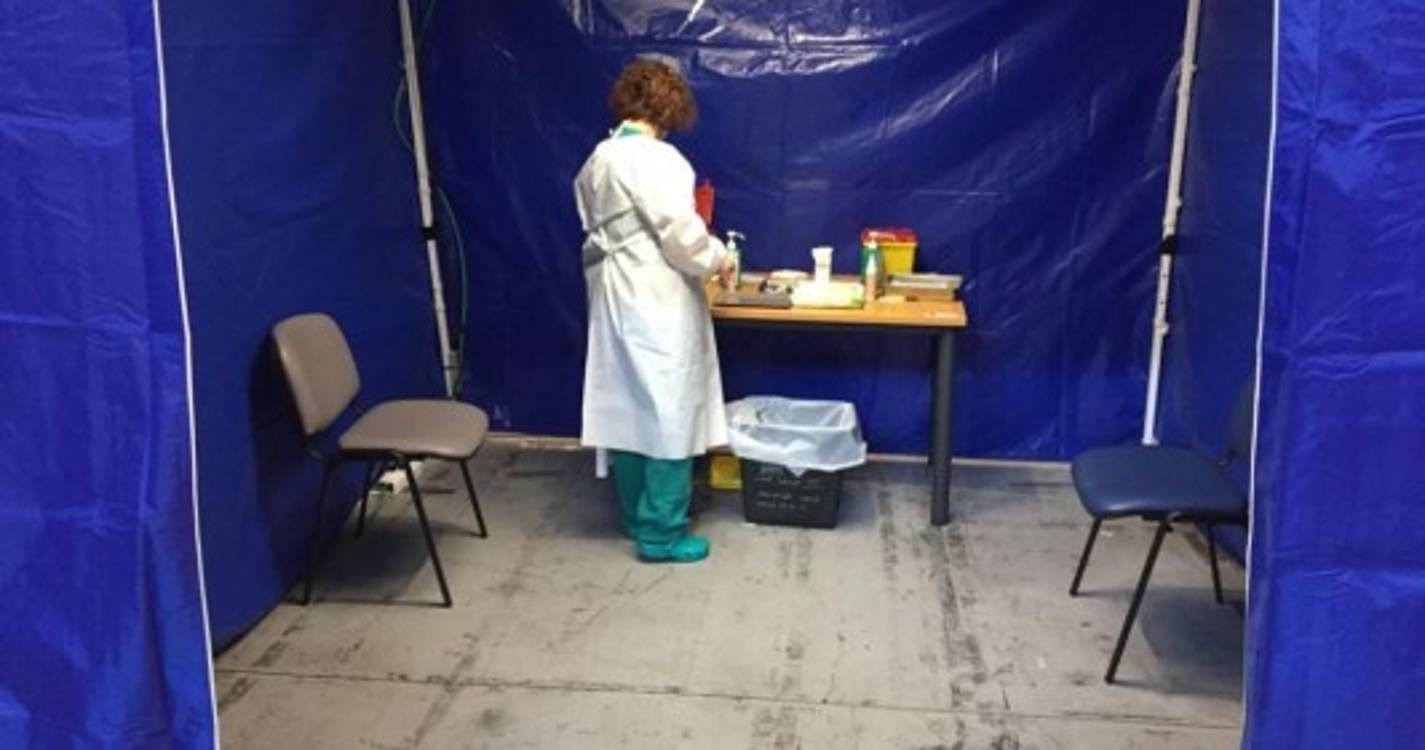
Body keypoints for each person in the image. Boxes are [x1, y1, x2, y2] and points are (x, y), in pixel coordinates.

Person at [573, 58, 732, 563]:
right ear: (672, 111)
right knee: (670, 411)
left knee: (630, 409)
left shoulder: (598, 158)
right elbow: (684, 240)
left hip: (613, 295)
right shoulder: (660, 161)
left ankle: (635, 515)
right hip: (656, 298)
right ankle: (661, 532)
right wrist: (720, 257)